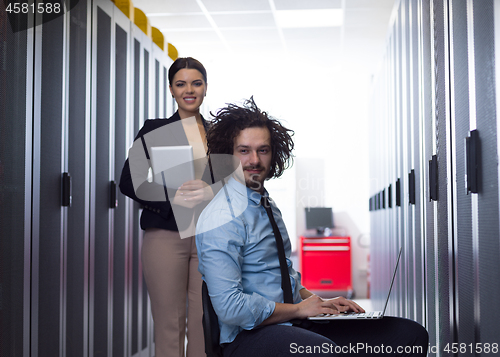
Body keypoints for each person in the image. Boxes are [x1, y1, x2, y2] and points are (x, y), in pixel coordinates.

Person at [195, 98, 429, 357]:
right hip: (248, 336)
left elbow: (281, 277)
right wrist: (298, 309)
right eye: (244, 150)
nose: (254, 160)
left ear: (274, 154)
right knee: (321, 351)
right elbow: (230, 308)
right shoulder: (222, 216)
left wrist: (317, 302)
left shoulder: (265, 204)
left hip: (291, 321)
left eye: (263, 150)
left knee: (408, 335)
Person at [120, 57, 213, 357]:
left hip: (210, 237)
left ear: (205, 88)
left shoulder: (221, 133)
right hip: (165, 235)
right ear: (171, 89)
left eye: (196, 83)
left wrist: (211, 189)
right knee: (170, 324)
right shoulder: (154, 129)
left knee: (205, 322)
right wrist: (173, 195)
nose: (189, 90)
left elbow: (234, 181)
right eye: (181, 83)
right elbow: (128, 182)